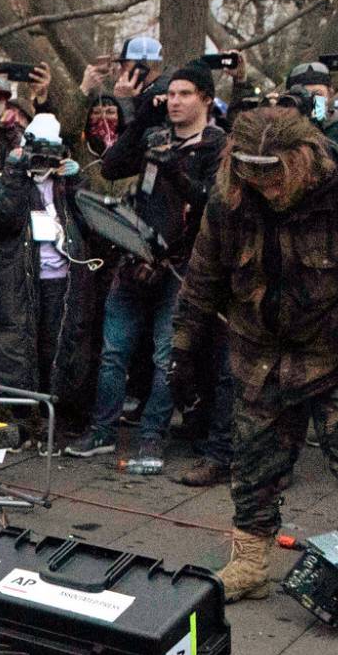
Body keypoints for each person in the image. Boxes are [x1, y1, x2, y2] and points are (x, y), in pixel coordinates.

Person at [172, 103, 338, 655]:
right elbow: (202, 277)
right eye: (253, 173)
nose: (265, 187)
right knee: (253, 460)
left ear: (304, 159)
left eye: (275, 174)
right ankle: (250, 561)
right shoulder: (231, 197)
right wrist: (183, 349)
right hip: (260, 351)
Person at [69, 65, 224, 478]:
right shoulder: (156, 135)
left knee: (165, 355)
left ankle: (152, 435)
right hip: (134, 256)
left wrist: (174, 168)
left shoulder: (216, 145)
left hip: (180, 267)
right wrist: (141, 119)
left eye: (185, 94)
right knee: (113, 351)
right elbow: (111, 168)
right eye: (170, 94)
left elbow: (211, 203)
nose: (174, 101)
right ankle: (102, 430)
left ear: (205, 99)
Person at [0, 114, 91, 421]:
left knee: (56, 350)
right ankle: (21, 416)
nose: (42, 163)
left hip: (61, 281)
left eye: (48, 155)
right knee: (20, 348)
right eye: (37, 154)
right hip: (18, 281)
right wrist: (15, 174)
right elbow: (0, 219)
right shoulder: (12, 179)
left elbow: (90, 225)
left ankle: (54, 416)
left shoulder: (65, 185)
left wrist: (77, 182)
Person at [283, 61, 338, 164]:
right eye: (302, 96)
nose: (309, 101)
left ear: (330, 95)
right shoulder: (281, 131)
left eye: (317, 95)